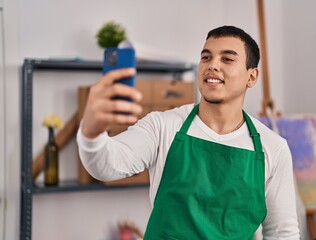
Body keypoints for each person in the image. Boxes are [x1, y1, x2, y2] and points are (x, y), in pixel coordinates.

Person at [77, 25, 300, 239]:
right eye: (206, 57)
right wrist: (92, 132)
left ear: (251, 76)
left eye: (227, 59)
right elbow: (106, 165)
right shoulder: (162, 126)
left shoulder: (273, 148)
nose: (212, 65)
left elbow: (283, 234)